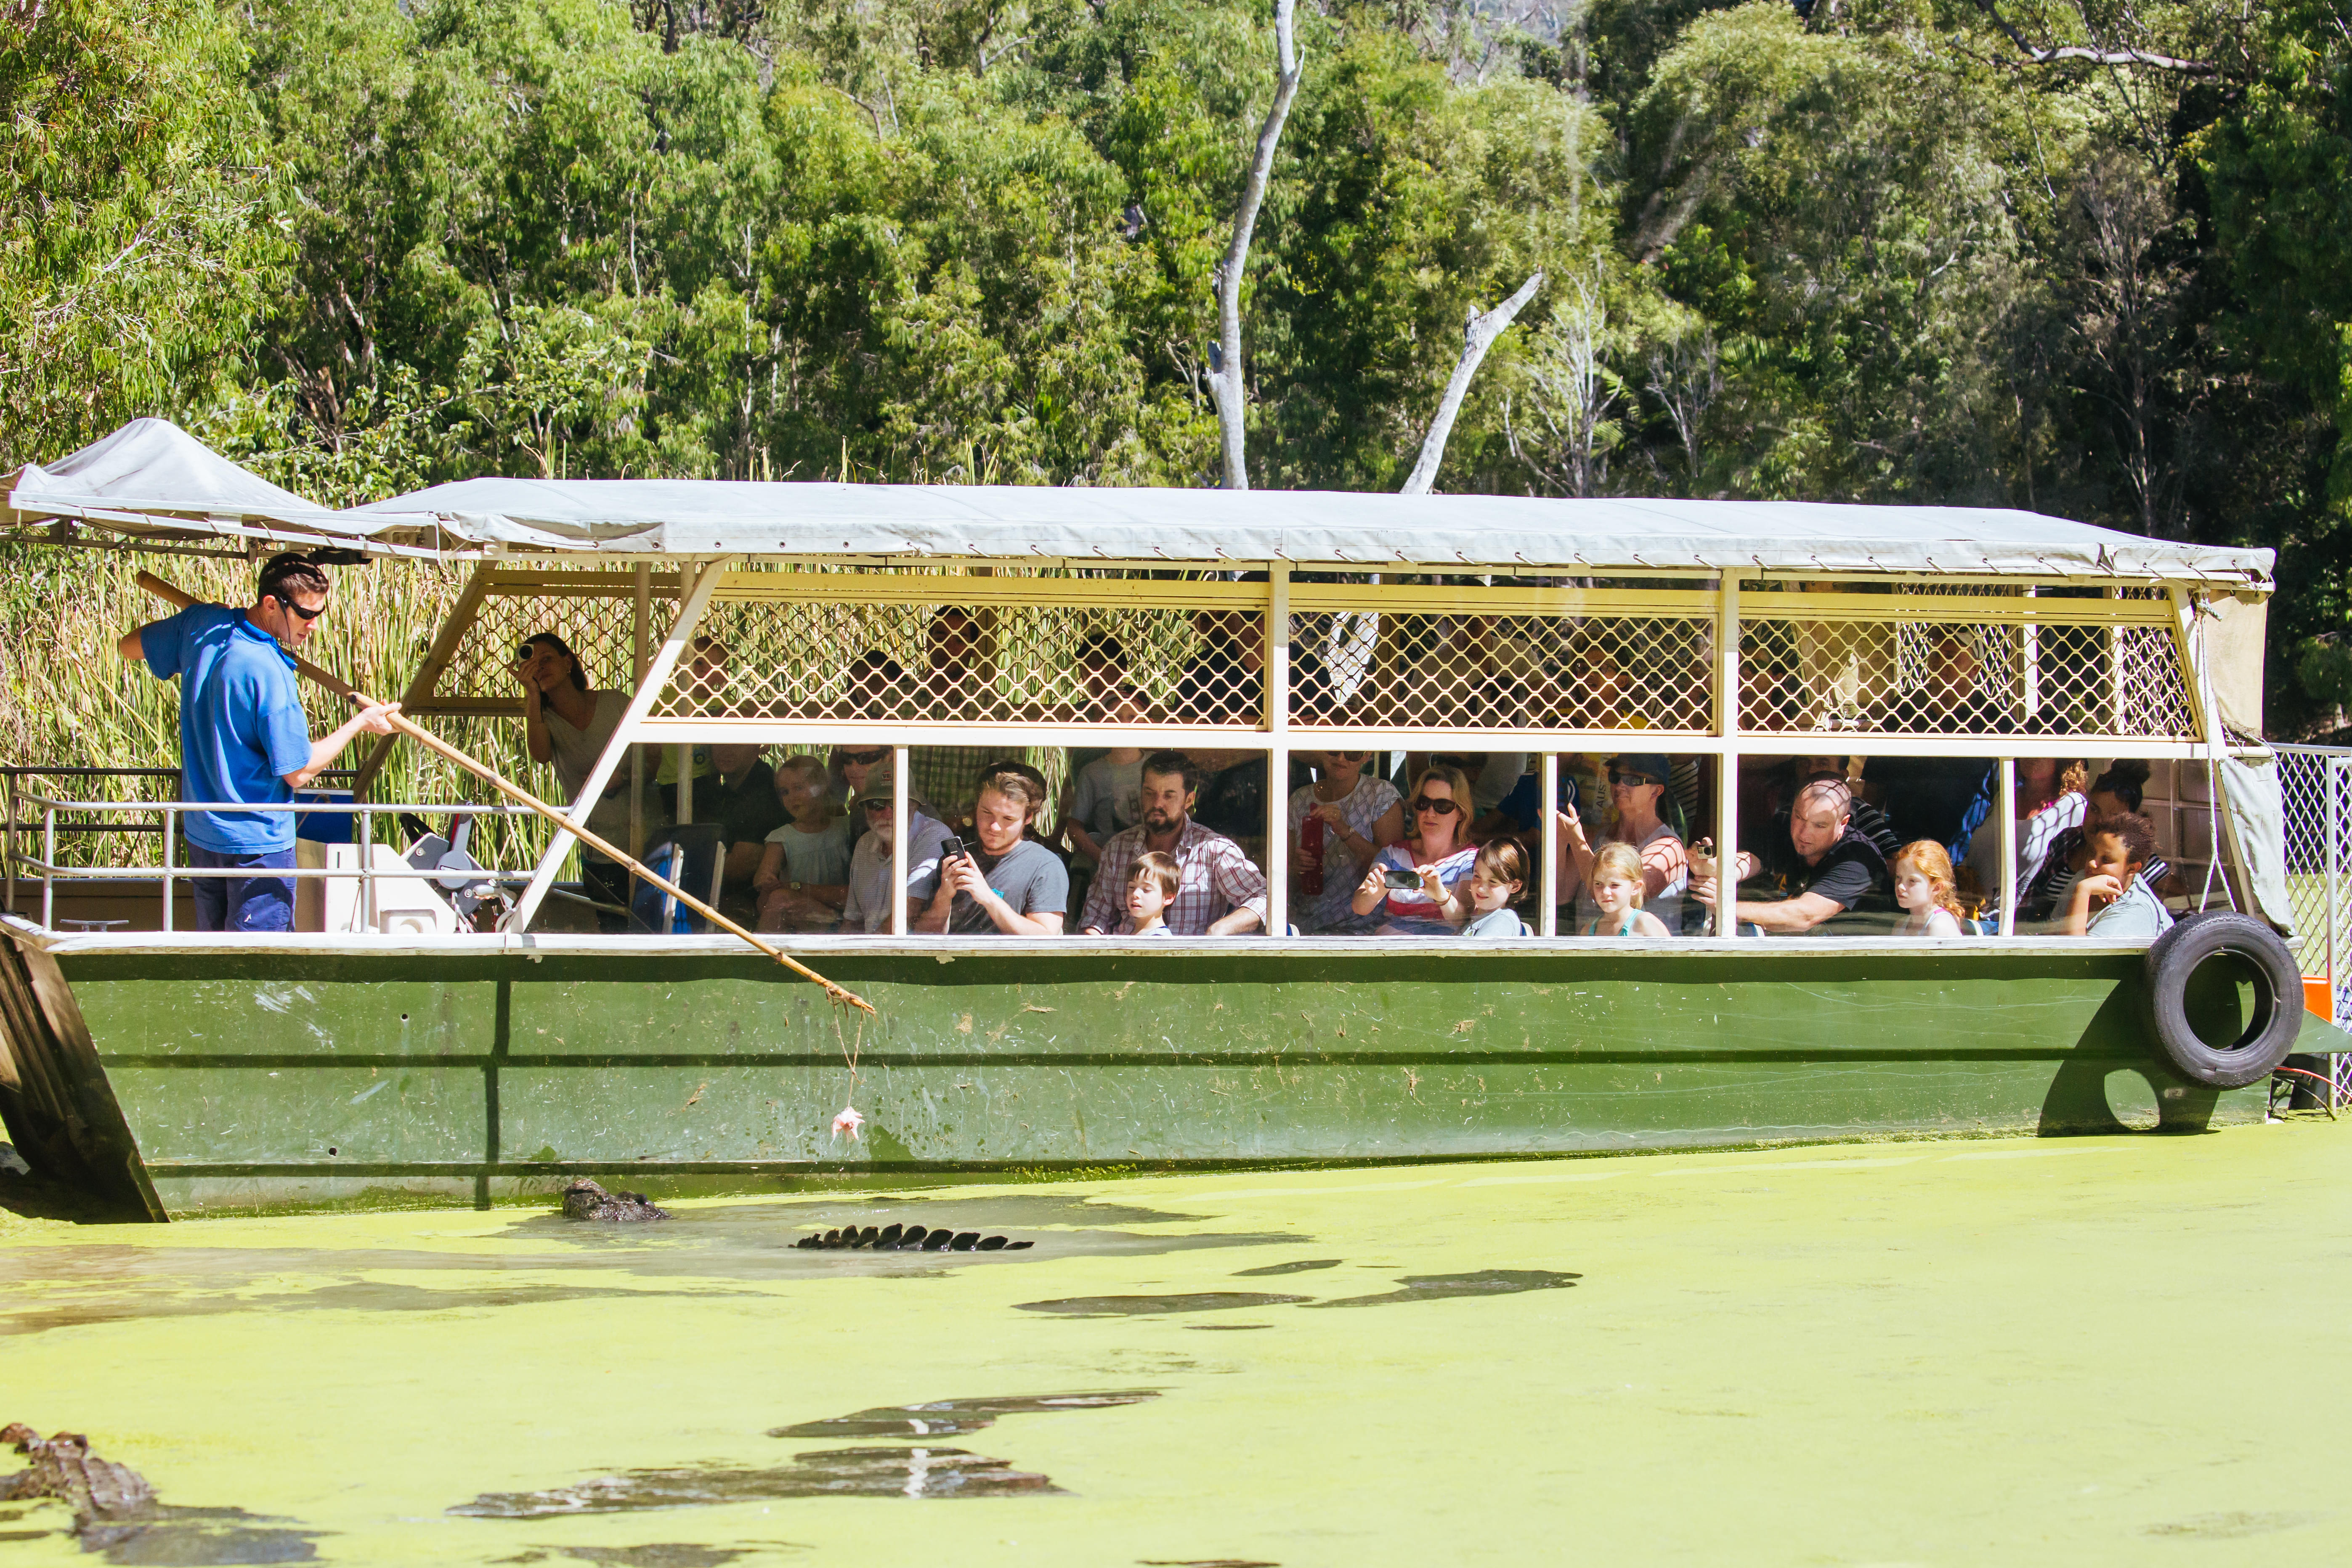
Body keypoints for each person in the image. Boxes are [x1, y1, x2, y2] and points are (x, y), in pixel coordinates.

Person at [116, 552, 400, 932]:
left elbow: (128, 646)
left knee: (217, 959)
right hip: (256, 845)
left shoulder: (204, 626)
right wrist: (360, 723)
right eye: (306, 614)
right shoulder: (270, 671)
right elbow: (299, 772)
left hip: (204, 836)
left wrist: (192, 625)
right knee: (260, 971)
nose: (314, 626)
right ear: (271, 604)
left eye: (319, 613)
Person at [509, 630, 666, 931]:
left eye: (548, 659)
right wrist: (532, 695)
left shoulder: (616, 704)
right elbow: (540, 755)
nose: (541, 667)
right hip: (599, 850)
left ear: (568, 662)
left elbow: (655, 760)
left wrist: (621, 778)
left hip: (646, 840)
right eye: (533, 663)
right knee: (614, 931)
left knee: (654, 929)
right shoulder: (544, 719)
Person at [1079, 751, 1269, 936]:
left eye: (1169, 796)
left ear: (1188, 800)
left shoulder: (1214, 850)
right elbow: (1095, 919)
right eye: (1149, 793)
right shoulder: (1117, 849)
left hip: (1192, 963)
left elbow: (1265, 898)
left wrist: (1220, 930)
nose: (1157, 804)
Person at [1694, 777, 1889, 935]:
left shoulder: (1860, 859)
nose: (1804, 834)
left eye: (1820, 826)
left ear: (1844, 822)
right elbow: (1753, 859)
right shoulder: (1782, 826)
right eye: (1800, 818)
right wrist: (1719, 869)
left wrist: (1728, 907)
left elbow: (1804, 916)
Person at [918, 763, 1068, 936]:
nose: (994, 827)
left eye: (1008, 818)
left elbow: (1045, 938)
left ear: (1028, 818)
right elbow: (923, 936)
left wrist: (988, 898)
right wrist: (944, 896)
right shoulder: (954, 860)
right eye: (987, 813)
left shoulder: (1046, 866)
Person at [1553, 753, 1686, 933]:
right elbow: (1560, 895)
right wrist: (1562, 839)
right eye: (1615, 777)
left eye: (1634, 780)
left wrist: (1577, 841)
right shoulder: (1595, 838)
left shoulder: (1668, 847)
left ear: (1656, 791)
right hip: (1589, 951)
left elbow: (1629, 897)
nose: (1620, 785)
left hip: (1644, 956)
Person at [1352, 764, 1478, 936]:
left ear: (1461, 813)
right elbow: (1359, 907)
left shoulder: (1470, 859)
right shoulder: (1393, 854)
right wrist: (1374, 895)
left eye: (1442, 806)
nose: (1430, 813)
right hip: (1390, 951)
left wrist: (1442, 896)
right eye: (1423, 803)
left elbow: (1463, 919)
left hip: (1442, 955)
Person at [1289, 748, 1404, 934]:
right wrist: (1296, 867)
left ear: (1367, 756)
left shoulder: (1382, 795)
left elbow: (1396, 874)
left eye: (1352, 752)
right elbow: (1283, 877)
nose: (1341, 758)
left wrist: (1344, 831)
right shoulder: (1299, 800)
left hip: (1366, 927)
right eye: (1333, 750)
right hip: (1307, 924)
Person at [839, 773, 953, 934]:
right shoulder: (865, 844)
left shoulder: (933, 835)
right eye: (877, 804)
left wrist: (870, 954)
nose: (887, 814)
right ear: (866, 810)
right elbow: (853, 921)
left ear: (914, 805)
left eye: (897, 803)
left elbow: (908, 912)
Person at [754, 756, 852, 932]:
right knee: (778, 898)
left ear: (821, 787)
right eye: (785, 792)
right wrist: (768, 883)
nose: (792, 798)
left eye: (799, 788)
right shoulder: (782, 838)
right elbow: (762, 879)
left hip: (841, 917)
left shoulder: (845, 828)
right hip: (802, 917)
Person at [685, 743, 786, 892]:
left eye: (736, 741)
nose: (726, 749)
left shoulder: (763, 790)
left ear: (758, 746)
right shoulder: (727, 791)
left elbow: (740, 867)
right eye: (719, 741)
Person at [2063, 812, 2175, 939]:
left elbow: (2075, 956)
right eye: (2092, 853)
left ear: (2132, 869)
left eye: (2106, 860)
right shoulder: (2083, 879)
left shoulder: (2134, 912)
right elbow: (2051, 937)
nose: (2092, 863)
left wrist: (2082, 893)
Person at [1065, 693, 1146, 866]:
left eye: (1132, 717)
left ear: (1148, 723)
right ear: (1103, 722)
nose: (1124, 724)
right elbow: (1074, 827)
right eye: (1115, 717)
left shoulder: (1156, 766)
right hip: (1111, 861)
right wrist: (1103, 859)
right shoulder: (1092, 772)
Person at [1577, 841, 1671, 938]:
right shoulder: (1588, 931)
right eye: (1599, 884)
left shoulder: (1645, 924)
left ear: (1636, 888)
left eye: (1615, 885)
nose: (1605, 892)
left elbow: (1672, 952)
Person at [1449, 838, 1532, 938]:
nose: (1481, 888)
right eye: (1477, 877)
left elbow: (1478, 953)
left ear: (1515, 886)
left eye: (1493, 882)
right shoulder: (1477, 919)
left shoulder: (1502, 921)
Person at [1891, 841, 1965, 937]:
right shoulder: (1901, 926)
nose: (1900, 886)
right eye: (1899, 877)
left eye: (1912, 881)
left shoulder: (1939, 925)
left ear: (1936, 888)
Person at [1120, 851, 1182, 937]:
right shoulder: (1134, 932)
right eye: (1131, 887)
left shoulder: (1159, 939)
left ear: (1168, 898)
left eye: (1146, 890)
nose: (1135, 894)